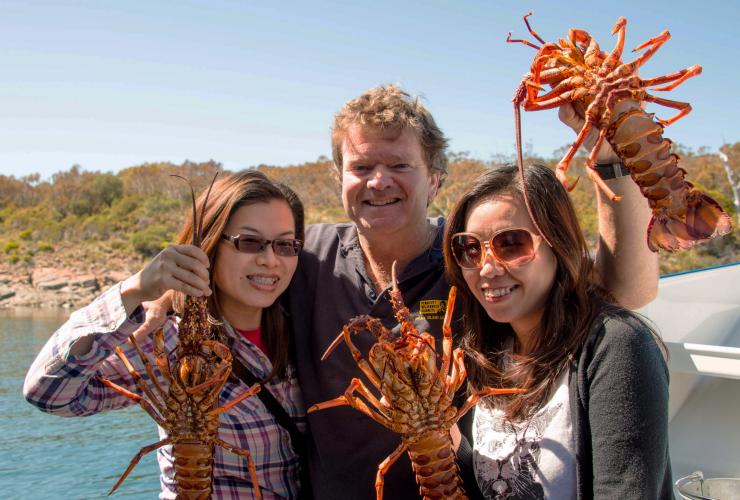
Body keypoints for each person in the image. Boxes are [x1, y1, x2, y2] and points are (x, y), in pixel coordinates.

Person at [286, 84, 660, 499]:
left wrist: (611, 159)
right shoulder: (299, 255)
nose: (378, 181)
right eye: (361, 166)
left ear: (435, 180)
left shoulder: (471, 258)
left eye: (399, 165)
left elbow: (619, 293)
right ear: (339, 177)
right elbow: (232, 265)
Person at [24, 171, 307, 499]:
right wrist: (134, 290)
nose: (270, 260)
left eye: (286, 245)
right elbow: (48, 394)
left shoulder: (304, 326)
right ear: (211, 247)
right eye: (249, 242)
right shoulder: (167, 342)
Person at [443, 164, 672, 498]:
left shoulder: (617, 347)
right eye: (470, 248)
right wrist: (448, 443)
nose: (487, 268)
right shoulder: (486, 356)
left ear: (557, 244)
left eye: (511, 243)